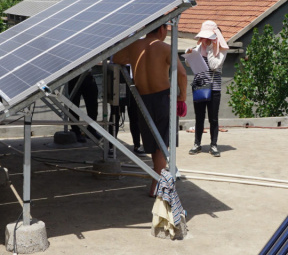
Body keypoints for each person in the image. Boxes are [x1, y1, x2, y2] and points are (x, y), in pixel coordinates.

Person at [114, 23, 188, 195]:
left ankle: (157, 182)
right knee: (162, 142)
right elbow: (183, 74)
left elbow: (117, 59)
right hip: (163, 98)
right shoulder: (164, 48)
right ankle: (157, 183)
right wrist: (182, 97)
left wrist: (131, 51)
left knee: (154, 142)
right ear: (161, 29)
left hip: (142, 99)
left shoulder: (134, 46)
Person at [187, 20, 228, 157]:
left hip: (214, 88)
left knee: (213, 118)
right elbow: (189, 63)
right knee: (199, 117)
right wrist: (189, 54)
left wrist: (211, 49)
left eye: (208, 37)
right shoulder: (199, 48)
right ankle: (197, 144)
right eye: (203, 37)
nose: (204, 40)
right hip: (199, 86)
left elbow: (214, 66)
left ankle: (213, 145)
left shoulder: (221, 50)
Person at [67, 70, 99, 143]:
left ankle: (91, 130)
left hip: (88, 75)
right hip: (74, 76)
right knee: (74, 106)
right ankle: (76, 131)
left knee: (93, 104)